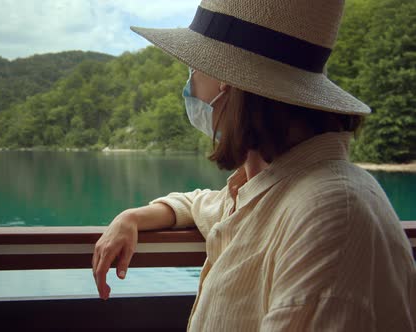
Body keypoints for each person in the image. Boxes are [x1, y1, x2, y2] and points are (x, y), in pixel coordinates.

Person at [91, 0, 416, 331]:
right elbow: (207, 204)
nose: (189, 82)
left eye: (192, 67)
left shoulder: (330, 215)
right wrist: (133, 218)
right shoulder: (273, 188)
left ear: (224, 82)